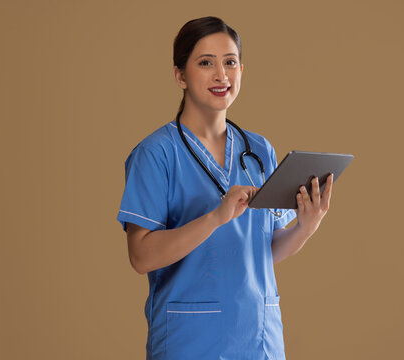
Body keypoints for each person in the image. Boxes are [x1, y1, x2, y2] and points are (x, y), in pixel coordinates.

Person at [117, 16, 333, 360]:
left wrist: (305, 228)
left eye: (230, 62)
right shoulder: (156, 154)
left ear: (241, 71)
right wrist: (216, 217)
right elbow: (141, 256)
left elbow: (265, 250)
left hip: (259, 340)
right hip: (190, 342)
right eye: (206, 63)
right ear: (180, 76)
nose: (221, 75)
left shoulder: (259, 150)